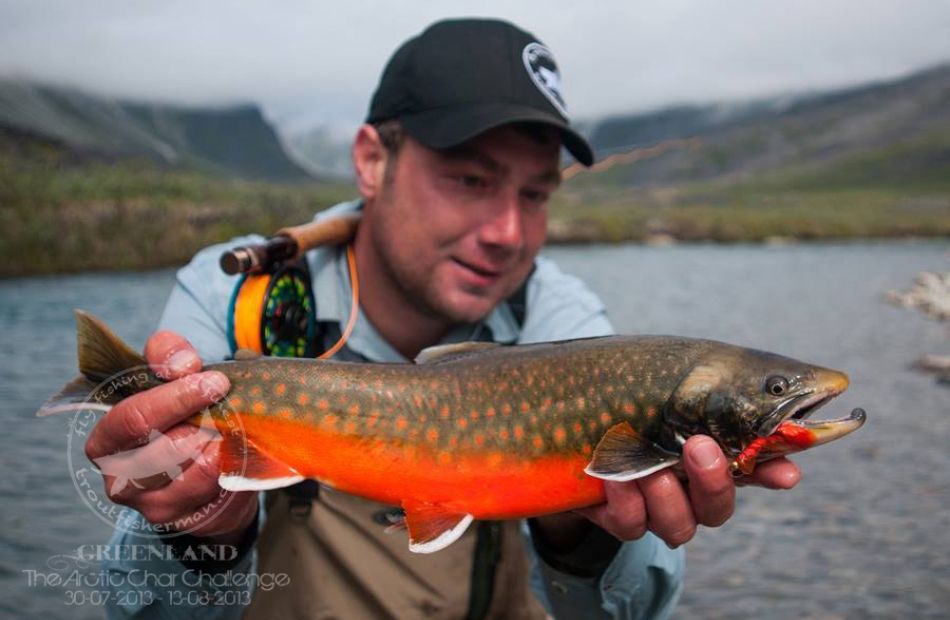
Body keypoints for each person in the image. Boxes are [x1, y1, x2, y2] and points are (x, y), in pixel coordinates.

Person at [89, 18, 801, 620]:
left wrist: (579, 535)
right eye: (471, 179)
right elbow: (133, 604)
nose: (507, 232)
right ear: (372, 161)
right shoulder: (240, 300)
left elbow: (634, 612)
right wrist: (198, 533)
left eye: (536, 193)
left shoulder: (565, 323)